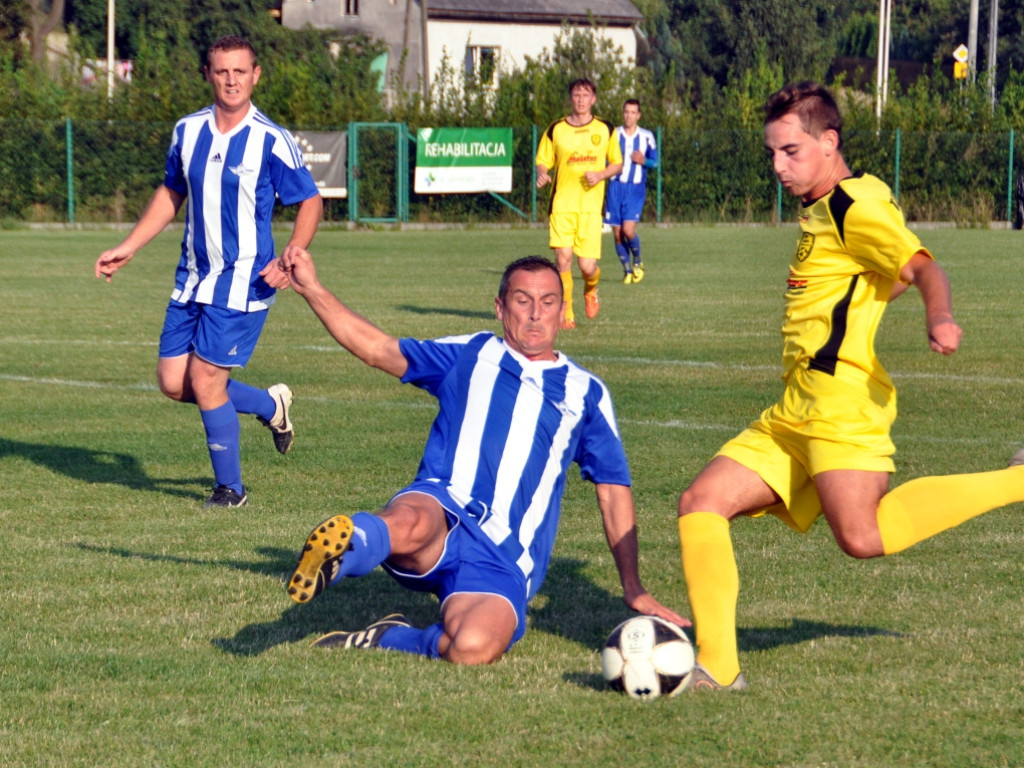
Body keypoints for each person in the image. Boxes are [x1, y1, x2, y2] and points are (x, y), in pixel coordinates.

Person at [676, 81, 1024, 691]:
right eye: (771, 154)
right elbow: (873, 278)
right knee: (700, 503)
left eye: (790, 151)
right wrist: (865, 296)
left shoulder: (853, 205)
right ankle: (719, 666)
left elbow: (922, 266)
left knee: (862, 537)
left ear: (828, 141)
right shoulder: (824, 208)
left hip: (841, 407)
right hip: (794, 409)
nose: (778, 166)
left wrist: (938, 315)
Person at [280, 251, 687, 665]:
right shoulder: (471, 354)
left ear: (563, 311)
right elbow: (378, 349)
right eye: (522, 300)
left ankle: (389, 636)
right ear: (500, 307)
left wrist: (632, 585)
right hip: (443, 507)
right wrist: (312, 288)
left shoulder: (586, 394)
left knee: (473, 647)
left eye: (548, 302)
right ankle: (346, 549)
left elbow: (613, 490)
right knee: (413, 520)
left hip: (503, 555)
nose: (534, 314)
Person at [94, 35, 322, 508]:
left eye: (240, 71)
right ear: (208, 74)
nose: (231, 79)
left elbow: (309, 201)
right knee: (174, 382)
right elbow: (170, 193)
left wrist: (291, 255)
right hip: (192, 277)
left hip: (244, 282)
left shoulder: (270, 139)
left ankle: (230, 490)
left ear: (255, 75)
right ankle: (269, 404)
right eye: (222, 71)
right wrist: (129, 246)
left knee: (206, 381)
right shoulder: (188, 130)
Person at [535, 78, 623, 329]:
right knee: (563, 260)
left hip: (590, 208)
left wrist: (601, 174)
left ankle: (591, 288)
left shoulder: (605, 129)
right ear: (571, 98)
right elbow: (543, 159)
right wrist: (542, 173)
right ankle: (567, 314)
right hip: (562, 204)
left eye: (586, 95)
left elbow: (617, 163)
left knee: (586, 266)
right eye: (576, 94)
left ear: (593, 99)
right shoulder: (556, 129)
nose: (581, 99)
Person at [605, 99, 658, 284]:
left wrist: (644, 161)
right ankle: (627, 270)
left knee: (628, 230)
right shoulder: (613, 135)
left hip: (634, 189)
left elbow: (655, 162)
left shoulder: (646, 136)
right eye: (626, 112)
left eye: (633, 112)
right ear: (623, 113)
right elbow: (604, 159)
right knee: (617, 234)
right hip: (615, 187)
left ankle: (637, 261)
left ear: (638, 115)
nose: (629, 116)